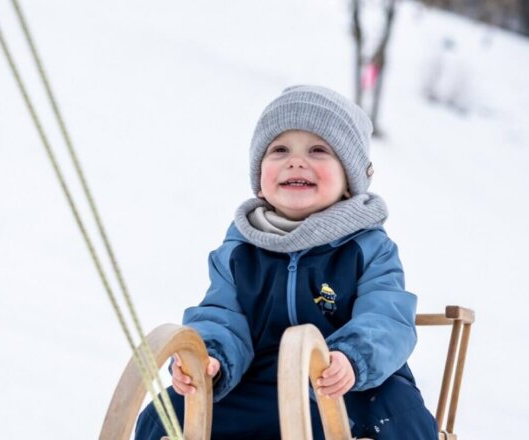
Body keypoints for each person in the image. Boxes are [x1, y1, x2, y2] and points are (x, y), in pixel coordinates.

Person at [134, 85, 437, 439]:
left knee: (402, 418)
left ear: (349, 182)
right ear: (260, 179)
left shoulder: (369, 247)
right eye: (279, 149)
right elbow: (222, 315)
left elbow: (386, 317)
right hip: (262, 385)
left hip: (348, 385)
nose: (296, 161)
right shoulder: (241, 248)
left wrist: (352, 359)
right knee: (164, 414)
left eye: (318, 150)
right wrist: (209, 358)